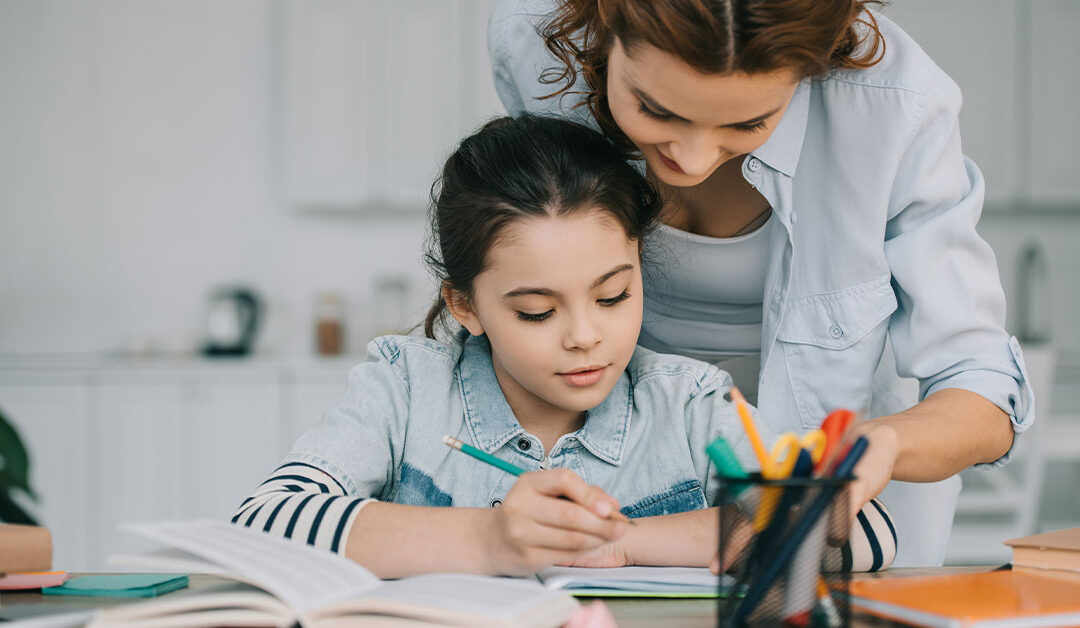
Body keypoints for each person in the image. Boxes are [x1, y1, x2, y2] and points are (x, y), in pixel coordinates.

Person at [487, 0, 1034, 567]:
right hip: (617, 494)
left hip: (833, 529)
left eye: (746, 123)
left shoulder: (897, 108)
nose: (693, 159)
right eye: (655, 108)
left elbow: (984, 389)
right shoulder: (533, 45)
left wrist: (886, 444)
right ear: (606, 24)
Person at [231, 115, 894, 578]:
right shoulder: (405, 388)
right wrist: (489, 540)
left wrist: (628, 543)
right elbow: (263, 522)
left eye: (613, 296)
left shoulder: (690, 403)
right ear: (465, 304)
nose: (586, 336)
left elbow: (859, 534)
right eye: (537, 310)